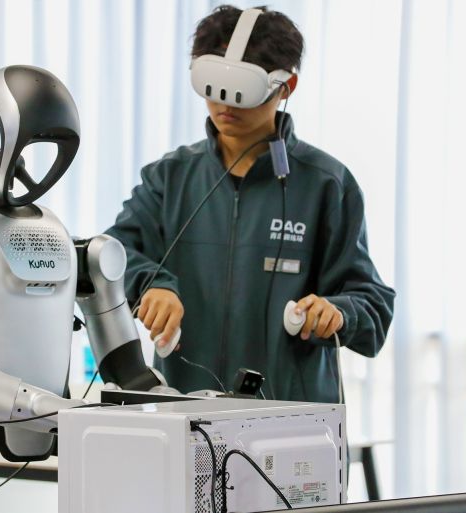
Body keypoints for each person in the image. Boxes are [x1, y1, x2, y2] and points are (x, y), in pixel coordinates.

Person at [105, 5, 395, 402]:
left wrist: (338, 312)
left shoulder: (327, 184)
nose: (226, 105)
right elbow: (110, 257)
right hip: (186, 412)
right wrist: (153, 285)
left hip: (293, 417)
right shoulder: (169, 178)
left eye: (243, 93)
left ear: (285, 88)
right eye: (214, 88)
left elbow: (373, 304)